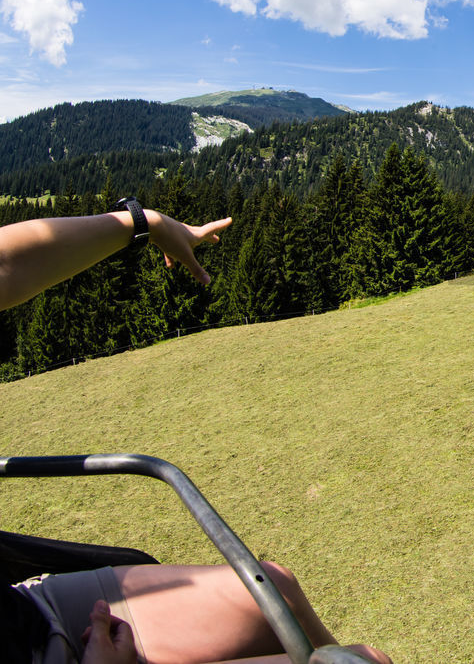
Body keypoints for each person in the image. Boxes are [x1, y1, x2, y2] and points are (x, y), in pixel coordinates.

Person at [0, 203, 391, 664]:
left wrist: (144, 222)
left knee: (276, 588)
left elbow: (8, 261)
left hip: (26, 613)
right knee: (368, 661)